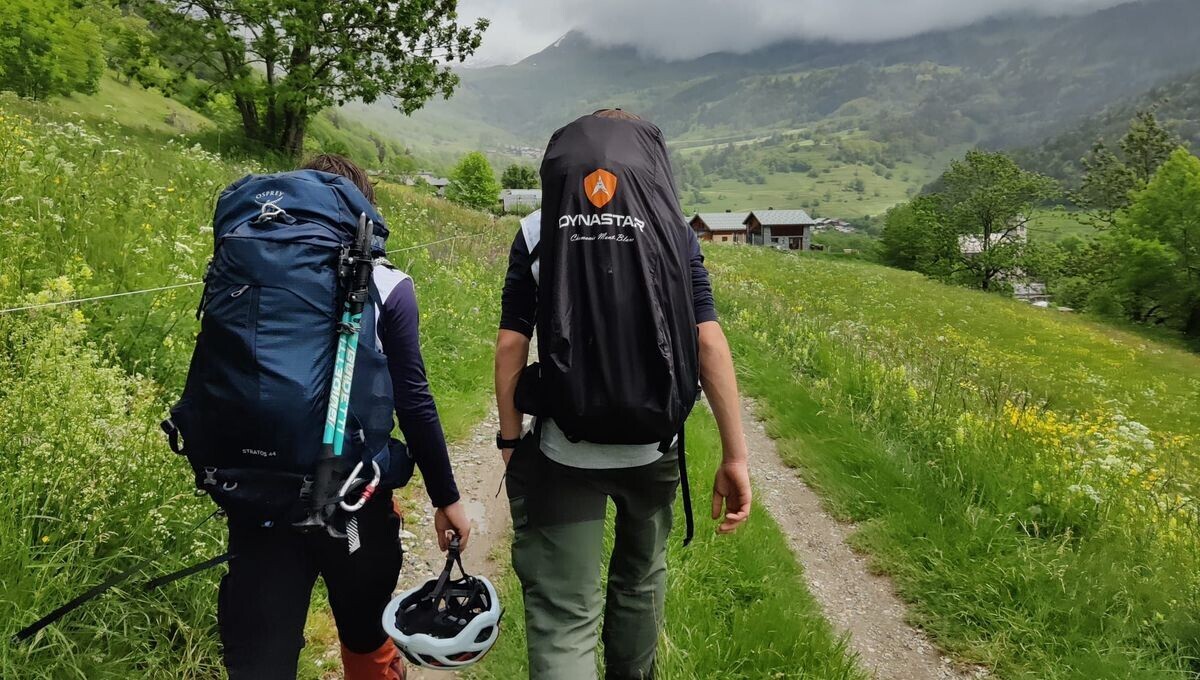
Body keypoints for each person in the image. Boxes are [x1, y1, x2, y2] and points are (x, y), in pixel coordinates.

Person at [494, 110, 753, 679]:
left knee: (565, 613)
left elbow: (512, 344)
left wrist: (510, 440)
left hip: (565, 449)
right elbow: (706, 339)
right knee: (639, 579)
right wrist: (735, 457)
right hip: (652, 447)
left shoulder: (537, 230)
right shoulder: (675, 231)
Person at [216, 155, 472, 680]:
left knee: (259, 662)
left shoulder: (246, 269)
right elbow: (414, 402)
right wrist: (446, 499)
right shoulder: (388, 284)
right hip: (356, 504)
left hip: (256, 496)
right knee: (365, 637)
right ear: (362, 211)